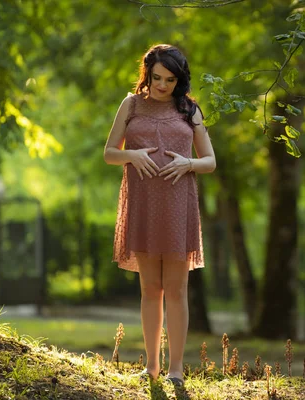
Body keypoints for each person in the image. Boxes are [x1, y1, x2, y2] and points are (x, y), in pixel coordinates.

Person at [104, 44, 216, 386]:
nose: (163, 85)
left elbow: (210, 161)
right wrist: (131, 155)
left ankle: (177, 370)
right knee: (151, 288)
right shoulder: (131, 104)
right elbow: (109, 153)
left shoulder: (189, 110)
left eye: (170, 79)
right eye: (157, 78)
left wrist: (188, 163)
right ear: (147, 75)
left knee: (177, 289)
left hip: (178, 204)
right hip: (143, 204)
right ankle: (152, 366)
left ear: (179, 80)